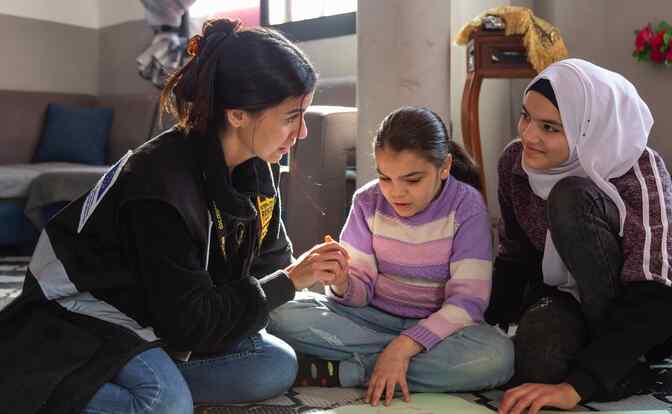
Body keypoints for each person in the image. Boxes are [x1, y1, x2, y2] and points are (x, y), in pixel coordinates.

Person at [0, 18, 350, 414]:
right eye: (291, 116)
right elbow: (192, 324)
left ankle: (114, 373)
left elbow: (270, 260)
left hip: (162, 311)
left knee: (274, 364)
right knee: (163, 404)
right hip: (82, 309)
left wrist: (310, 280)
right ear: (237, 115)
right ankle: (27, 380)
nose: (301, 133)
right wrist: (288, 282)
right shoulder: (159, 186)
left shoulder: (258, 165)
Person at [487, 58, 672, 414]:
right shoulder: (514, 163)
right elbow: (516, 254)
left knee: (571, 196)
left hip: (650, 301)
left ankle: (624, 361)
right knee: (537, 362)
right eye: (526, 116)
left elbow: (658, 291)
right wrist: (486, 325)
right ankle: (608, 360)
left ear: (589, 128)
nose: (528, 135)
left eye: (550, 127)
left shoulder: (639, 168)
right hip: (568, 294)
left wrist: (578, 387)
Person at [269, 106, 515, 407]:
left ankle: (350, 371)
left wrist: (403, 347)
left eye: (412, 180)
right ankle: (383, 364)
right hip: (369, 320)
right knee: (277, 311)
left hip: (439, 331)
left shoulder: (467, 207)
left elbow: (467, 304)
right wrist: (344, 281)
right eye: (385, 178)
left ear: (445, 167)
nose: (396, 193)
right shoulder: (367, 201)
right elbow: (359, 292)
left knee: (498, 357)